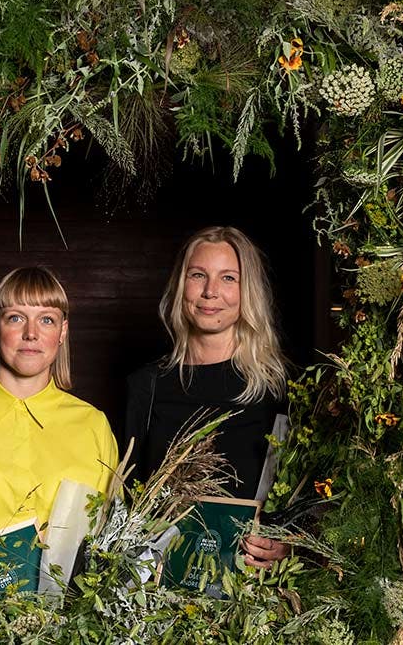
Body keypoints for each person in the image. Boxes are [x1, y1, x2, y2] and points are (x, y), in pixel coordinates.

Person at [124, 226, 290, 569]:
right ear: (180, 285)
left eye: (228, 278)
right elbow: (127, 501)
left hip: (249, 586)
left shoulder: (279, 389)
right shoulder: (146, 386)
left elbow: (299, 499)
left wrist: (285, 545)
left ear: (248, 291)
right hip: (159, 587)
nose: (210, 291)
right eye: (198, 275)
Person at [0, 267, 118, 545]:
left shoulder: (93, 425)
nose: (31, 333)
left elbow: (112, 534)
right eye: (16, 318)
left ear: (62, 331)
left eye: (46, 320)